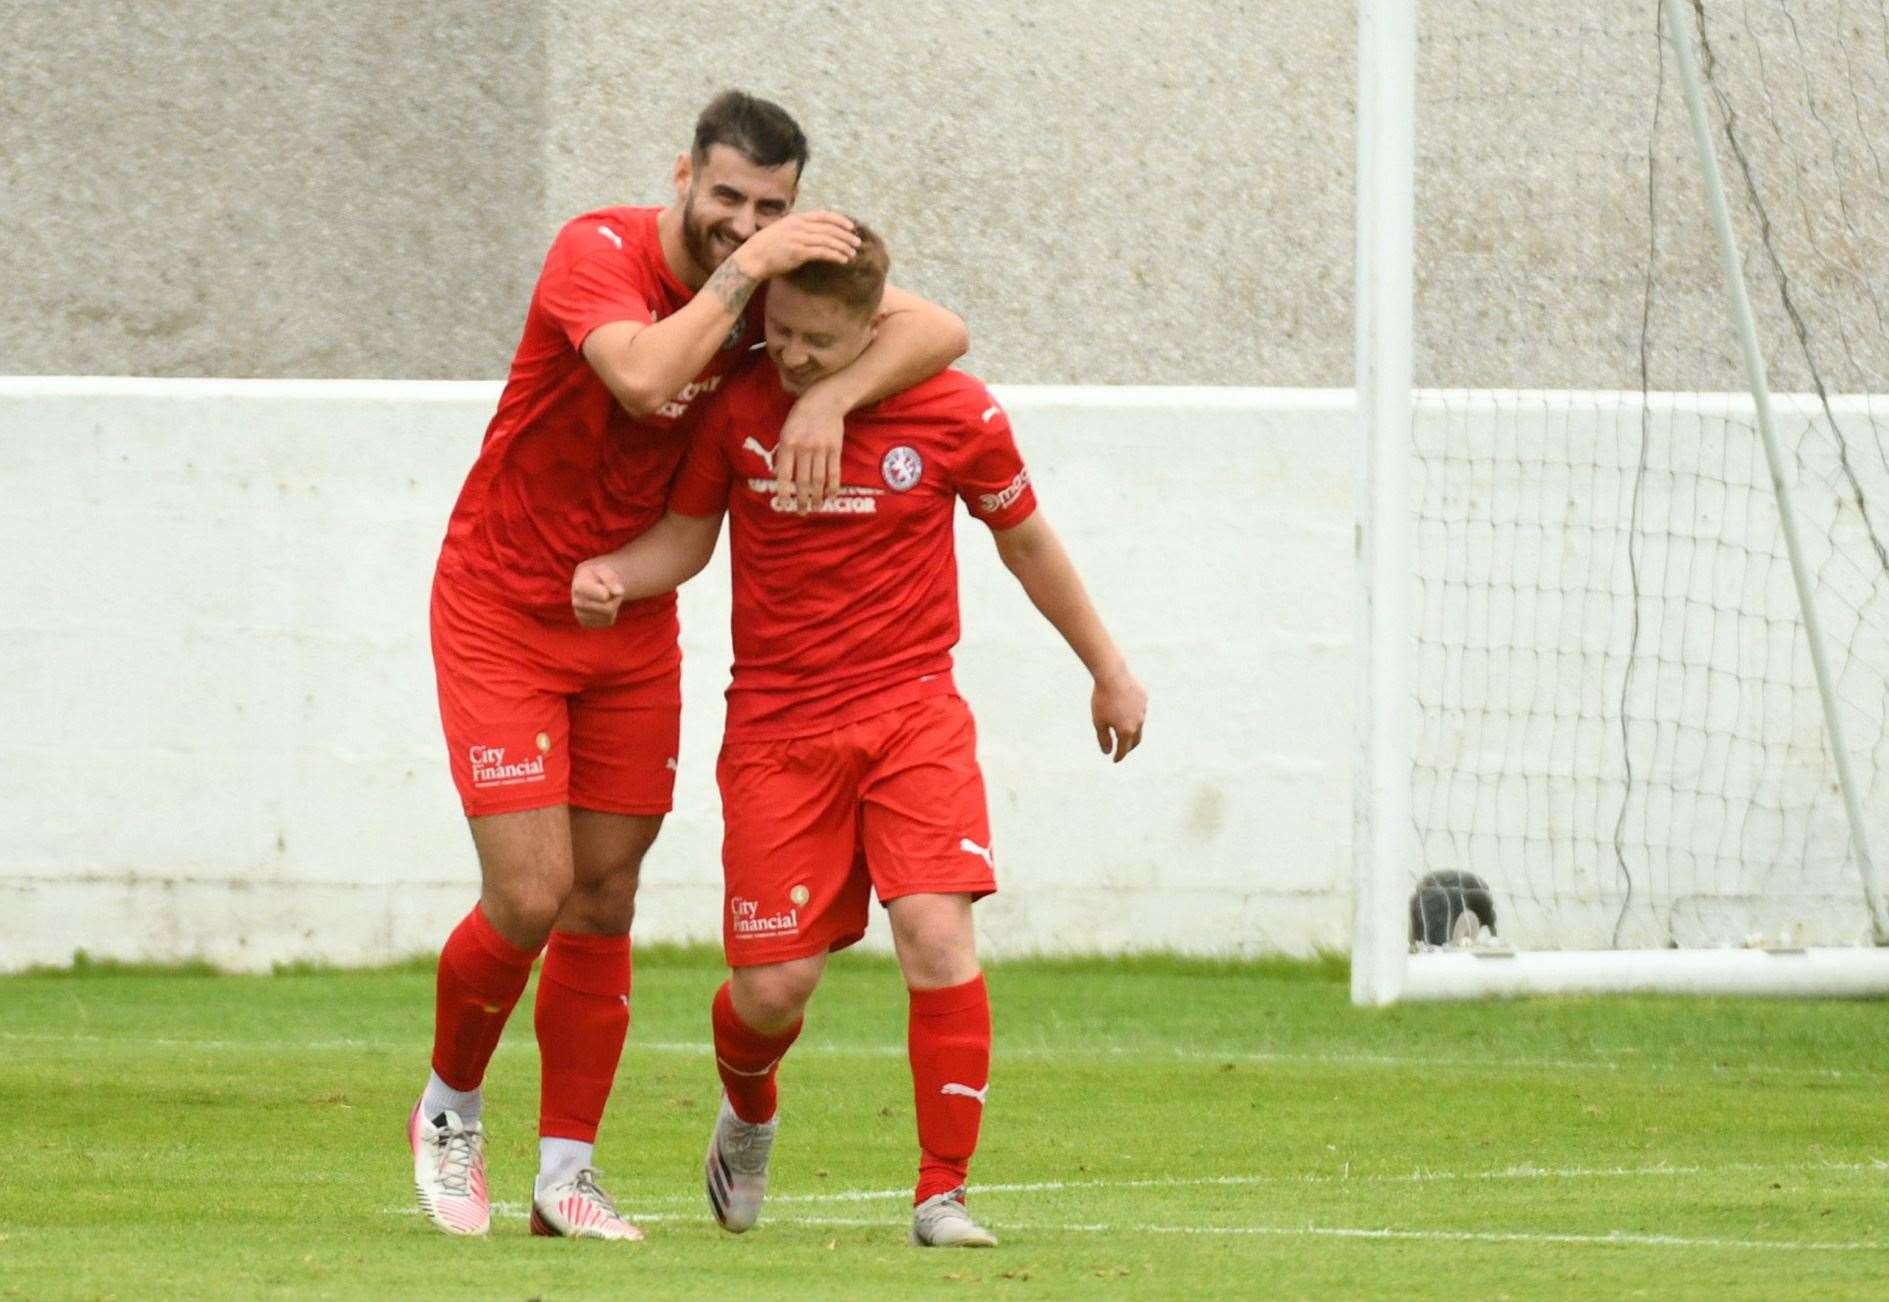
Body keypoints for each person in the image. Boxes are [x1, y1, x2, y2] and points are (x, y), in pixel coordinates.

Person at [413, 91, 969, 1242]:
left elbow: (935, 328)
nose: (744, 221)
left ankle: (567, 1175)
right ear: (683, 177)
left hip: (628, 616)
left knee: (604, 891)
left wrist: (828, 389)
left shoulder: (777, 290)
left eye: (770, 206)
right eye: (726, 197)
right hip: (505, 604)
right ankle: (452, 1105)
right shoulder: (596, 253)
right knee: (529, 891)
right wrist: (749, 271)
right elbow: (639, 373)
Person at [569, 223, 1148, 1248]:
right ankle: (749, 1105)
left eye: (816, 344)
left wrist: (1106, 669)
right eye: (780, 332)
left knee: (933, 934)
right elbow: (690, 538)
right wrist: (621, 572)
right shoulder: (740, 403)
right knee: (771, 988)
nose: (789, 356)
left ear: (874, 325)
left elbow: (1023, 543)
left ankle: (942, 1192)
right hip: (776, 730)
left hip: (910, 714)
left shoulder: (953, 413)